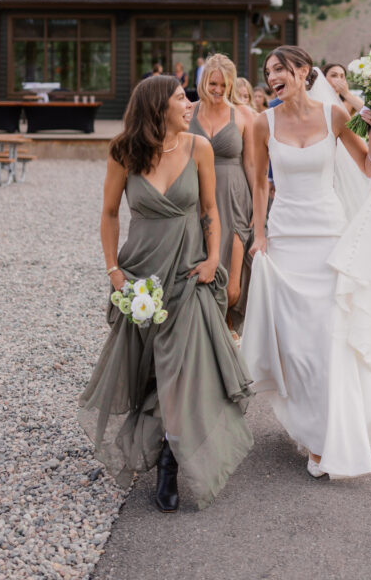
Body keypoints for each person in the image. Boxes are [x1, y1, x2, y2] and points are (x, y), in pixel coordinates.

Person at [242, 45, 371, 480]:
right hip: (286, 241)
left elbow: (368, 166)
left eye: (280, 69)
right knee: (296, 345)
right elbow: (260, 185)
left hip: (327, 239)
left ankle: (327, 439)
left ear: (303, 71)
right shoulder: (262, 123)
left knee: (327, 340)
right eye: (268, 72)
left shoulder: (335, 116)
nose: (272, 78)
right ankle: (310, 426)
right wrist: (259, 234)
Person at [78, 74, 253, 512]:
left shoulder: (200, 148)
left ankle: (170, 464)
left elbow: (210, 209)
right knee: (151, 369)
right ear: (158, 108)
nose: (189, 104)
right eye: (181, 98)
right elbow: (109, 213)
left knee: (182, 367)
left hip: (189, 272)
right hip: (141, 275)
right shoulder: (123, 152)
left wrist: (213, 259)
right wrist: (114, 271)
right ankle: (161, 443)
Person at [188, 54, 254, 327]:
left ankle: (229, 328)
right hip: (194, 195)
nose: (217, 90)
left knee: (232, 286)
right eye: (213, 83)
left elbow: (252, 164)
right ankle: (205, 334)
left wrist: (258, 207)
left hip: (232, 197)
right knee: (196, 268)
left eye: (224, 85)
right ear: (204, 81)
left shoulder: (244, 115)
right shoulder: (188, 111)